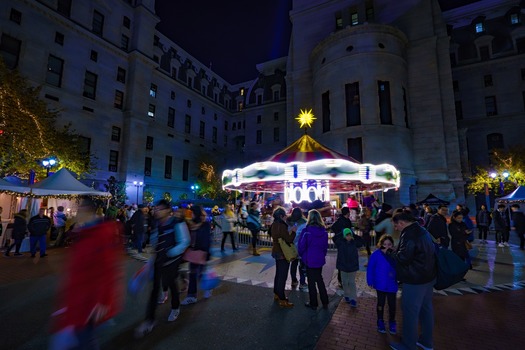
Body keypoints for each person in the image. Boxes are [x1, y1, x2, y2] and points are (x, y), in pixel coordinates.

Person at [49, 197, 124, 350]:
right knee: (81, 337)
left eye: (79, 209)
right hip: (79, 295)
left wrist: (103, 300)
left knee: (85, 340)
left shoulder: (101, 234)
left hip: (90, 299)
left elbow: (108, 269)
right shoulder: (86, 232)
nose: (76, 213)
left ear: (87, 211)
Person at [135, 200, 190, 338]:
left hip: (171, 261)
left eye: (159, 209)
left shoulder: (177, 222)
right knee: (154, 289)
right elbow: (155, 239)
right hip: (159, 260)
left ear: (167, 210)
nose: (156, 211)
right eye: (156, 208)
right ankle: (149, 320)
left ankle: (175, 307)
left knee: (171, 284)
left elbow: (184, 241)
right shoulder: (158, 223)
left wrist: (171, 252)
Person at [388, 211, 436, 350]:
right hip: (428, 277)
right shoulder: (422, 230)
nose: (396, 229)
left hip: (414, 279)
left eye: (396, 226)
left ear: (402, 223)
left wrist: (391, 252)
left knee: (410, 312)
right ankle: (427, 342)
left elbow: (403, 258)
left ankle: (408, 345)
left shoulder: (409, 234)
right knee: (426, 310)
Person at [298, 209, 329, 310]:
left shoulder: (307, 231)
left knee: (311, 281)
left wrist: (302, 255)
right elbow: (325, 247)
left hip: (309, 258)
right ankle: (325, 300)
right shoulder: (324, 232)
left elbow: (302, 246)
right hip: (319, 258)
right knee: (319, 279)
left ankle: (313, 302)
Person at [181, 205, 212, 305]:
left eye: (192, 213)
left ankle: (207, 287)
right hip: (193, 252)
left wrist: (206, 252)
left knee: (200, 274)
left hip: (202, 252)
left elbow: (207, 239)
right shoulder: (191, 224)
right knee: (193, 274)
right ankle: (191, 296)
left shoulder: (205, 224)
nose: (191, 215)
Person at [367, 234, 398, 334]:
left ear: (392, 245)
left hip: (392, 284)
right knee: (381, 303)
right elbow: (370, 268)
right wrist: (370, 280)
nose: (387, 246)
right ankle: (380, 321)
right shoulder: (376, 254)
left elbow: (399, 267)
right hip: (380, 284)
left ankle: (392, 321)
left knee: (392, 305)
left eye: (389, 244)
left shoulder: (395, 255)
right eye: (384, 244)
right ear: (381, 245)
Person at [270, 206, 295, 308]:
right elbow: (288, 239)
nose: (286, 217)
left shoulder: (274, 225)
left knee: (278, 273)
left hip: (276, 250)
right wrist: (293, 231)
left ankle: (276, 292)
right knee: (283, 275)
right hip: (283, 252)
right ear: (281, 216)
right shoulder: (282, 225)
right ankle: (282, 298)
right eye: (284, 215)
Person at [333, 227, 363, 308]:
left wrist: (353, 234)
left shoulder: (355, 242)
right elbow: (334, 238)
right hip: (343, 266)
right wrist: (342, 231)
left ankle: (353, 299)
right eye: (347, 235)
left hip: (352, 266)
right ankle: (346, 295)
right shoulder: (340, 243)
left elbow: (361, 241)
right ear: (343, 236)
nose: (349, 237)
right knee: (345, 282)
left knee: (351, 282)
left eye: (350, 235)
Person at [330, 207, 354, 287]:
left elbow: (333, 228)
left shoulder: (340, 220)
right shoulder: (345, 221)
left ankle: (341, 280)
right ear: (347, 213)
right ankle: (343, 279)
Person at [287, 207, 307, 290]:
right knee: (302, 265)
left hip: (292, 246)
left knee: (294, 264)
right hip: (301, 246)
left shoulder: (288, 222)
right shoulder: (304, 223)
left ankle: (293, 280)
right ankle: (302, 282)